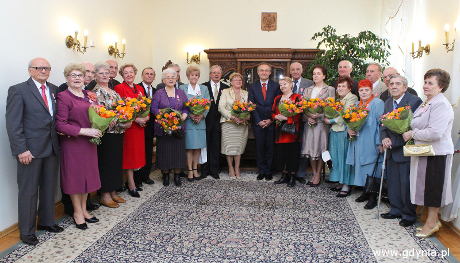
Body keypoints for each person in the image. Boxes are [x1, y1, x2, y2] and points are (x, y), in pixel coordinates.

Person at [6, 58, 63, 245]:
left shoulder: (54, 89)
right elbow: (13, 124)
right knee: (28, 191)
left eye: (47, 68)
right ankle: (27, 230)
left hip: (52, 147)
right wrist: (21, 149)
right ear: (30, 70)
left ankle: (46, 222)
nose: (43, 70)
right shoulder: (18, 90)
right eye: (39, 68)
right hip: (30, 150)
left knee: (49, 188)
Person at [402, 69, 454, 238]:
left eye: (430, 83)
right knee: (427, 188)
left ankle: (432, 222)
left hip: (437, 153)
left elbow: (435, 132)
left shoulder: (441, 104)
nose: (425, 86)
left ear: (441, 87)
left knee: (433, 189)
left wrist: (412, 134)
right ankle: (432, 221)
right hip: (425, 152)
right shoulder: (428, 102)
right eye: (425, 82)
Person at [56, 63, 102, 230]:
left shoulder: (88, 95)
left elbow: (97, 115)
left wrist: (102, 124)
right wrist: (84, 131)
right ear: (67, 78)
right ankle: (77, 212)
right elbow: (60, 125)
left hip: (89, 143)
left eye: (79, 75)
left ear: (85, 78)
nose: (77, 78)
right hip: (73, 143)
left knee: (87, 178)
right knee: (75, 179)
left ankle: (84, 209)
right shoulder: (63, 97)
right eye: (73, 75)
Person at [380, 75, 422, 226]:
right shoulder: (387, 102)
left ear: (405, 87)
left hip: (406, 148)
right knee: (393, 183)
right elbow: (383, 124)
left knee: (406, 184)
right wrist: (384, 138)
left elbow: (413, 127)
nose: (394, 86)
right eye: (391, 84)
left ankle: (409, 215)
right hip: (391, 150)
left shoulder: (414, 101)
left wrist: (393, 143)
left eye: (398, 84)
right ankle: (396, 210)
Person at [93, 63, 132, 208]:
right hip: (106, 133)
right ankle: (105, 195)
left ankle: (113, 192)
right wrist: (120, 115)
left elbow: (120, 107)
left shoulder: (112, 91)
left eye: (107, 73)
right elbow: (101, 113)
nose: (104, 75)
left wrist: (127, 111)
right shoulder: (96, 92)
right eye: (101, 73)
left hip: (118, 132)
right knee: (106, 164)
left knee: (116, 163)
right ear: (96, 75)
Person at [346, 79, 384, 209]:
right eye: (361, 90)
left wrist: (380, 142)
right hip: (358, 141)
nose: (364, 92)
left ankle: (373, 196)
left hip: (371, 141)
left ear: (371, 90)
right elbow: (350, 121)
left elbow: (381, 124)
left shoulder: (377, 103)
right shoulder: (356, 104)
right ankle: (365, 192)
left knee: (372, 167)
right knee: (360, 168)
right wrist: (349, 130)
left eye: (366, 90)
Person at [114, 64, 149, 198]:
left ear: (135, 74)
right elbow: (121, 110)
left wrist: (145, 117)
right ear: (122, 75)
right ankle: (131, 184)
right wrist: (135, 120)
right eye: (126, 73)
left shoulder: (139, 88)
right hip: (129, 128)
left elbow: (145, 105)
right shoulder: (119, 88)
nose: (129, 75)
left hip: (140, 129)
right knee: (129, 157)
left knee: (137, 156)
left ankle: (135, 181)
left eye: (131, 72)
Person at [151, 68, 189, 186]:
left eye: (173, 77)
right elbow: (153, 108)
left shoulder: (181, 93)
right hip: (163, 128)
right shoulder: (159, 93)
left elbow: (186, 106)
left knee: (178, 153)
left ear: (176, 78)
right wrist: (164, 117)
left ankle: (177, 176)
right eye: (168, 77)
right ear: (163, 79)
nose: (171, 79)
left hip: (178, 128)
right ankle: (166, 176)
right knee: (164, 153)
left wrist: (184, 114)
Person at [301, 65, 335, 187]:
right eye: (314, 74)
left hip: (321, 124)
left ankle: (318, 174)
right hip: (309, 123)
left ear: (324, 76)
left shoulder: (329, 89)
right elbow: (303, 106)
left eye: (318, 73)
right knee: (310, 148)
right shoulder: (308, 90)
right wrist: (308, 117)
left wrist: (319, 115)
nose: (316, 76)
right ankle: (314, 173)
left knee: (321, 149)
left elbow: (331, 108)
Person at [325, 76, 358, 197]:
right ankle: (340, 180)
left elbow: (347, 115)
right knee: (335, 157)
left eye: (344, 86)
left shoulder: (352, 98)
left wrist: (331, 120)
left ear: (349, 87)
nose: (341, 88)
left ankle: (347, 184)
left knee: (345, 158)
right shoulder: (338, 99)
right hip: (334, 131)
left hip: (344, 131)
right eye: (339, 86)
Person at [248, 63, 281, 181]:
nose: (264, 72)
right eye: (261, 70)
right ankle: (261, 171)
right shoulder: (252, 86)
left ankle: (269, 171)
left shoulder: (276, 86)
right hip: (258, 124)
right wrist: (258, 121)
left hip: (271, 122)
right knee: (259, 147)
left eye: (266, 71)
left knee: (270, 148)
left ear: (270, 73)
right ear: (258, 72)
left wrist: (271, 120)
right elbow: (251, 105)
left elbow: (277, 104)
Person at [179, 66, 210, 181]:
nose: (194, 77)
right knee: (189, 147)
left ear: (198, 76)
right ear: (188, 76)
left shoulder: (204, 88)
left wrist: (201, 115)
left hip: (200, 122)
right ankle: (190, 171)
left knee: (198, 147)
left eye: (196, 75)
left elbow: (208, 104)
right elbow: (181, 104)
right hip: (188, 121)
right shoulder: (182, 88)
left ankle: (196, 169)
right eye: (192, 75)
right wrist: (190, 115)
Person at [272, 77, 303, 187]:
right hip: (280, 132)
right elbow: (272, 112)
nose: (283, 86)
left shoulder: (297, 97)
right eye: (281, 85)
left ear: (291, 85)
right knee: (281, 155)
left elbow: (299, 113)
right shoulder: (277, 98)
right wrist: (276, 117)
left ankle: (292, 177)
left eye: (285, 84)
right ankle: (284, 176)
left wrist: (287, 119)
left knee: (292, 155)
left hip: (293, 132)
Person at [200, 65, 230, 179]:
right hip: (205, 121)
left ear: (221, 74)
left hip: (220, 122)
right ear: (210, 74)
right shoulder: (203, 86)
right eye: (214, 72)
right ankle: (204, 170)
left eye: (218, 72)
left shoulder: (226, 87)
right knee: (205, 146)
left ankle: (214, 170)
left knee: (216, 146)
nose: (216, 74)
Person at [218, 72, 250, 179]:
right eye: (235, 80)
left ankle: (237, 168)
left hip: (241, 124)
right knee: (229, 147)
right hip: (228, 123)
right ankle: (230, 168)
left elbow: (249, 108)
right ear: (231, 82)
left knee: (238, 147)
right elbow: (221, 107)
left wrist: (245, 117)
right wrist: (233, 117)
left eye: (240, 80)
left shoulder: (245, 93)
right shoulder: (226, 92)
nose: (238, 81)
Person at [290, 62, 313, 184]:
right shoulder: (286, 83)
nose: (295, 71)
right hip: (289, 122)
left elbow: (312, 103)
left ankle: (301, 173)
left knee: (303, 147)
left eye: (297, 69)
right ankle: (290, 171)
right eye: (293, 69)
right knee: (291, 148)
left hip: (304, 120)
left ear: (302, 70)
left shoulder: (309, 83)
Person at [134, 67, 157, 188]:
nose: (149, 76)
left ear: (154, 77)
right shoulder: (136, 88)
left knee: (148, 152)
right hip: (136, 126)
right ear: (142, 76)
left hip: (150, 126)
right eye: (146, 74)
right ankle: (136, 179)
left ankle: (146, 175)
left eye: (151, 74)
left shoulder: (156, 90)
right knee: (137, 152)